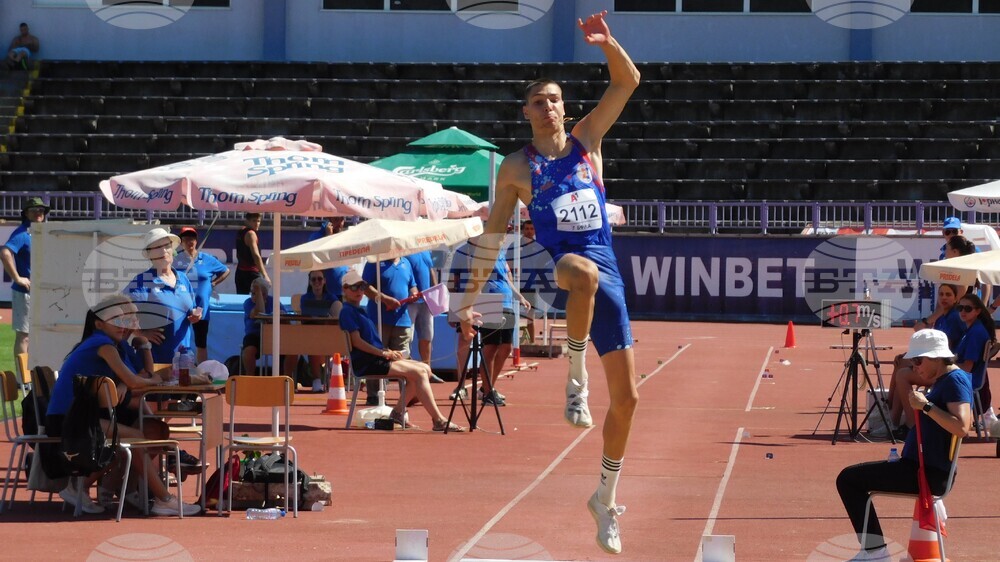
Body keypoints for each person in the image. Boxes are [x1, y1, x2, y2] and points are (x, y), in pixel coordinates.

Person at [455, 11, 640, 554]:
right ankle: (575, 376)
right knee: (579, 273)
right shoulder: (516, 167)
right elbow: (491, 239)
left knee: (628, 400)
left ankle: (604, 499)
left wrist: (608, 43)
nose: (550, 107)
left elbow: (627, 82)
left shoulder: (589, 139)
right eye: (539, 101)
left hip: (610, 273)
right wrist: (469, 300)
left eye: (555, 99)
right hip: (567, 261)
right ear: (526, 112)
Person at [45, 295, 201, 516]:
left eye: (126, 319)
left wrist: (145, 350)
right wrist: (159, 377)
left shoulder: (113, 345)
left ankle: (120, 490)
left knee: (152, 431)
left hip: (84, 416)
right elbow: (136, 381)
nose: (124, 324)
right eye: (117, 320)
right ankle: (162, 499)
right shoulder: (103, 345)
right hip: (69, 420)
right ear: (99, 324)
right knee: (137, 439)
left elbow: (138, 379)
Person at [836, 329, 971, 561]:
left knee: (848, 479)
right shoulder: (943, 380)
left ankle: (875, 552)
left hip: (927, 474)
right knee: (852, 478)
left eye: (918, 360)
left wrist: (926, 406)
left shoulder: (955, 380)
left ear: (936, 357)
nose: (915, 366)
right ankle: (874, 550)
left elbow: (962, 427)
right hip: (920, 468)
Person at [338, 270, 464, 432]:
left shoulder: (359, 310)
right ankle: (438, 420)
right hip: (368, 362)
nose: (359, 291)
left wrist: (387, 350)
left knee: (425, 368)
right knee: (419, 373)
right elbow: (357, 342)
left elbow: (369, 342)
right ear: (345, 289)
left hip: (376, 357)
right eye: (353, 287)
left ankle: (398, 412)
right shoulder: (347, 311)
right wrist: (383, 353)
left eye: (361, 287)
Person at [889, 284, 966, 432]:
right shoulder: (943, 317)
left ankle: (911, 424)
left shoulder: (954, 318)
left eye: (948, 295)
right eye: (941, 294)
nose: (944, 297)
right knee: (901, 362)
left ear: (956, 298)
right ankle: (892, 416)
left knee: (902, 374)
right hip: (938, 364)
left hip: (944, 368)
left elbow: (942, 350)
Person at [125, 228, 202, 364]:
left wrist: (196, 315)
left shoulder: (183, 279)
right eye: (157, 248)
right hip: (155, 362)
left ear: (172, 250)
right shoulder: (143, 281)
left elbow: (192, 309)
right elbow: (120, 310)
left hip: (184, 360)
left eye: (166, 246)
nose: (163, 251)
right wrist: (141, 333)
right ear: (149, 254)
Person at [173, 227, 230, 364]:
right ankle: (176, 370)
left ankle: (201, 371)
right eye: (186, 239)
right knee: (177, 339)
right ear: (181, 242)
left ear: (196, 241)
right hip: (180, 307)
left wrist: (214, 283)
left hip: (200, 308)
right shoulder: (175, 260)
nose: (189, 242)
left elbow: (226, 270)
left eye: (192, 239)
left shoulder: (207, 259)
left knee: (201, 342)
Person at [1, 197, 48, 360]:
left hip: (42, 291)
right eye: (34, 210)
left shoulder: (41, 232)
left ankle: (36, 375)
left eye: (41, 210)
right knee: (24, 336)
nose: (38, 213)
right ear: (26, 213)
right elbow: (5, 252)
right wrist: (17, 278)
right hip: (25, 292)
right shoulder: (22, 233)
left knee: (41, 335)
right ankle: (23, 380)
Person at [363, 257, 415, 404]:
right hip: (379, 319)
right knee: (377, 356)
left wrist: (414, 294)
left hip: (402, 319)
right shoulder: (374, 261)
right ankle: (373, 395)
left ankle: (406, 395)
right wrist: (385, 299)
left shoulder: (406, 263)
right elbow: (365, 287)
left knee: (403, 356)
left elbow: (413, 285)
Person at [953, 294, 998, 430]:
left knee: (908, 376)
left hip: (968, 379)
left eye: (967, 309)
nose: (962, 312)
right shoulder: (973, 329)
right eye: (960, 308)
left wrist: (945, 366)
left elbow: (967, 367)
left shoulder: (975, 333)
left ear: (977, 311)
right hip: (970, 377)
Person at [241, 277, 296, 378]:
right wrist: (259, 296)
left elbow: (286, 318)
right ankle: (250, 378)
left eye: (257, 293)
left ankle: (287, 379)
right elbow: (259, 312)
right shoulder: (248, 303)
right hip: (255, 335)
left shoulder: (273, 301)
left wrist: (281, 314)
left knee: (292, 350)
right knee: (249, 351)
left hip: (273, 335)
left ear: (265, 293)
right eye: (252, 293)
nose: (254, 296)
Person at [404, 250, 444, 382]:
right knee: (407, 339)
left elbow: (430, 269)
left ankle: (428, 372)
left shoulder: (425, 251)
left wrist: (436, 290)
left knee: (427, 337)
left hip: (426, 301)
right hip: (410, 302)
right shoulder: (404, 252)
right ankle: (407, 375)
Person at [301, 270, 342, 392]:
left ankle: (326, 371)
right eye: (313, 279)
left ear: (324, 281)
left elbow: (335, 319)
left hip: (328, 335)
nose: (317, 282)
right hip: (311, 335)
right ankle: (317, 380)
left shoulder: (332, 298)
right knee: (312, 342)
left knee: (316, 341)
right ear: (310, 282)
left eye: (319, 279)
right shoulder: (304, 298)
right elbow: (305, 317)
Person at [235, 213, 269, 294]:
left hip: (240, 272)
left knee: (242, 300)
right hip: (252, 273)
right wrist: (265, 275)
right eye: (254, 221)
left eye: (258, 221)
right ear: (247, 221)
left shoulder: (241, 231)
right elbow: (256, 255)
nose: (257, 224)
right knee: (261, 299)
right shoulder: (251, 234)